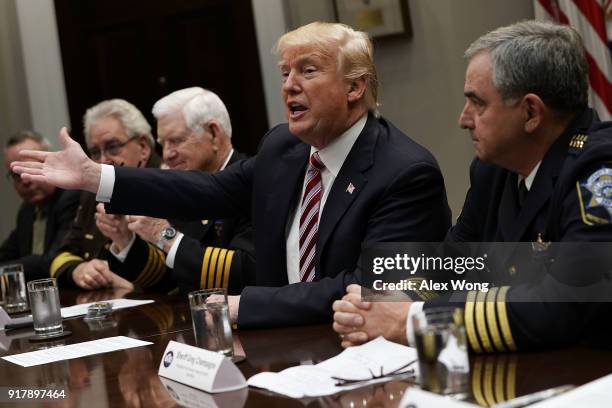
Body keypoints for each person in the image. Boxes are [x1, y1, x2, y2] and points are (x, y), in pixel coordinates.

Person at [12, 22, 451, 328]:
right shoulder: (284, 147)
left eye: (308, 70)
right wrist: (96, 177)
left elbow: (368, 286)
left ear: (355, 87)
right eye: (285, 73)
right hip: (280, 347)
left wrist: (248, 306)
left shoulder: (405, 172)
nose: (289, 85)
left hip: (359, 350)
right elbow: (208, 191)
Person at [332, 20, 612, 352]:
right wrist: (378, 303)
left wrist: (411, 322)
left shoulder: (598, 174)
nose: (463, 119)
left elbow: (562, 304)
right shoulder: (493, 171)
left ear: (531, 112)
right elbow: (453, 264)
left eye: (477, 103)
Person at [96, 87, 255, 294]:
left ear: (214, 134)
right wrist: (125, 240)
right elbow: (172, 279)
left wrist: (165, 235)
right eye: (163, 144)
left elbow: (245, 274)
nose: (167, 154)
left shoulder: (252, 182)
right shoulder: (182, 186)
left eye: (177, 140)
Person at [49, 99, 161, 290]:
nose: (103, 161)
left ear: (143, 148)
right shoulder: (92, 193)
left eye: (113, 146)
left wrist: (132, 284)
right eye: (94, 152)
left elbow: (180, 273)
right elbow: (62, 253)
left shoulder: (166, 188)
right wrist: (79, 270)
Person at [1, 131, 79, 279]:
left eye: (30, 168)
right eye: (17, 175)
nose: (25, 180)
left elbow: (51, 260)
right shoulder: (26, 211)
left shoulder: (71, 198)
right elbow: (6, 254)